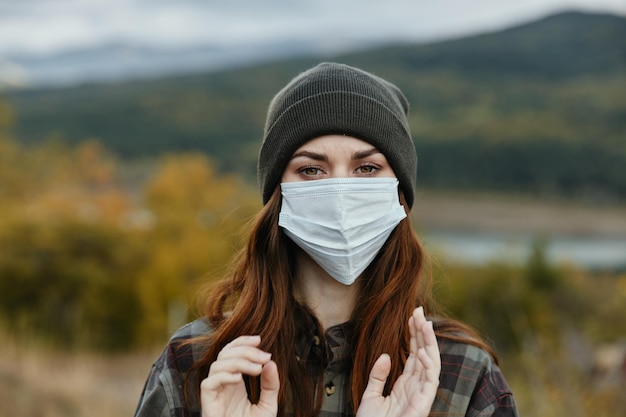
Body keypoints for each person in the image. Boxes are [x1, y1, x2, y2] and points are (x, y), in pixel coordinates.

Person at [134, 62, 518, 417]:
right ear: (277, 193)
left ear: (398, 191)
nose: (339, 192)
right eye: (312, 169)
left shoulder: (461, 374)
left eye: (367, 168)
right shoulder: (198, 364)